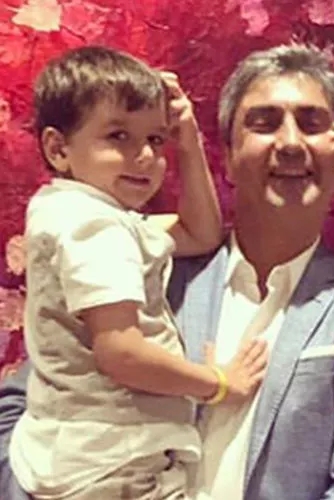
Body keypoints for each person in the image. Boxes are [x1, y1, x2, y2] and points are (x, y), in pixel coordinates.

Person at [0, 43, 334, 500]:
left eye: (312, 123)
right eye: (264, 123)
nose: (291, 143)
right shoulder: (146, 264)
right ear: (229, 156)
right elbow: (35, 393)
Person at [8, 46, 269, 500]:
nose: (144, 155)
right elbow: (121, 352)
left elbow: (200, 233)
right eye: (118, 136)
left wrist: (187, 142)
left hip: (82, 456)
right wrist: (219, 383)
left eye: (156, 139)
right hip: (110, 462)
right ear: (58, 148)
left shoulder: (73, 209)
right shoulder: (95, 228)